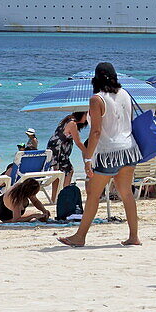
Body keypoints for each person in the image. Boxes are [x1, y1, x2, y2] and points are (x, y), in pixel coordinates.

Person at [58, 62, 141, 248]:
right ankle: (133, 236)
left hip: (108, 153)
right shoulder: (125, 94)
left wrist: (88, 158)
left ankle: (80, 237)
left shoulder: (97, 99)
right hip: (128, 149)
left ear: (95, 79)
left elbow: (95, 132)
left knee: (93, 195)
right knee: (126, 193)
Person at [44, 111, 89, 203]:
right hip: (59, 150)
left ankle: (54, 198)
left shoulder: (68, 120)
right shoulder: (72, 123)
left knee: (57, 174)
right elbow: (79, 143)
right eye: (86, 115)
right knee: (69, 171)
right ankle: (64, 195)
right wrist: (88, 153)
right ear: (81, 114)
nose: (87, 117)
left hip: (54, 148)